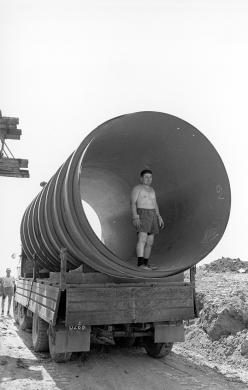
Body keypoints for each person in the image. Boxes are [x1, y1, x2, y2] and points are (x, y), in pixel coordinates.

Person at [131, 169, 164, 270]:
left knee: (150, 241)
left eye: (150, 177)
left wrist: (159, 216)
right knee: (142, 239)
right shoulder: (137, 188)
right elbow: (133, 203)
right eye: (146, 177)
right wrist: (135, 216)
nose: (148, 179)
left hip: (153, 214)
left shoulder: (152, 190)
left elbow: (155, 204)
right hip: (143, 214)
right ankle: (140, 264)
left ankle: (146, 264)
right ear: (141, 178)